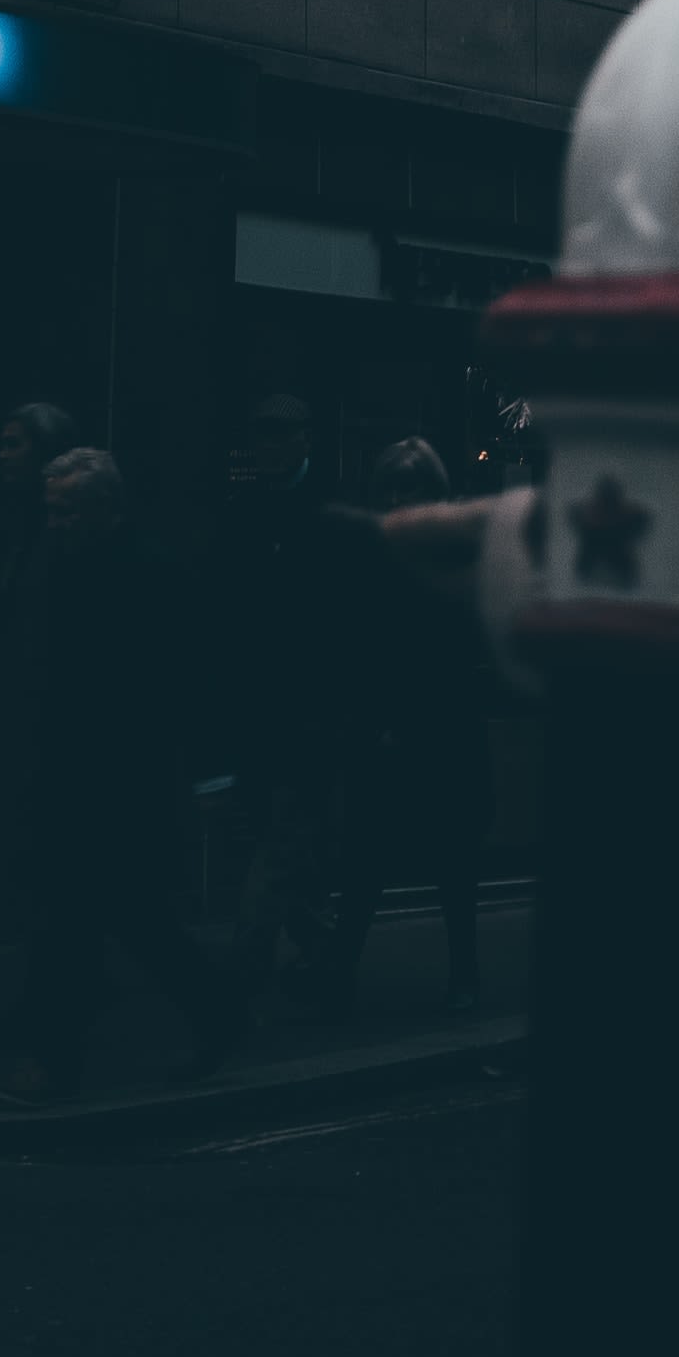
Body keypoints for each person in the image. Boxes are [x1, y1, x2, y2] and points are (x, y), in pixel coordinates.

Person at [0, 444, 241, 1099]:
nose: (57, 522)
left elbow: (195, 680)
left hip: (119, 780)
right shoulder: (59, 562)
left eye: (69, 511)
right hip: (69, 774)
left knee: (77, 925)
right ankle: (214, 1013)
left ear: (107, 507)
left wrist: (209, 774)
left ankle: (51, 1063)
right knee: (126, 921)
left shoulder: (149, 573)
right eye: (52, 511)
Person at [317, 433, 490, 1019]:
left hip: (441, 728)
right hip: (379, 727)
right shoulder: (374, 553)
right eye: (389, 487)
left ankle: (463, 976)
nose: (396, 498)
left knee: (453, 865)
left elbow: (455, 648)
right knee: (363, 864)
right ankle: (340, 977)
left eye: (408, 487)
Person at [210, 383, 341, 990]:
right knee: (280, 842)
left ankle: (244, 970)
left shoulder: (331, 514)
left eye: (278, 435)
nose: (265, 447)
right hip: (254, 711)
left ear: (305, 440)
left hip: (309, 714)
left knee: (277, 841)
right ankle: (325, 948)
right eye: (259, 435)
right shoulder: (240, 514)